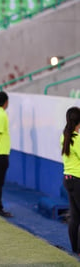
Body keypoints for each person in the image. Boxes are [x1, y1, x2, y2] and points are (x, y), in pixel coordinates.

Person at [61, 107, 80, 255]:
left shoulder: (65, 136)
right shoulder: (77, 139)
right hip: (77, 180)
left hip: (68, 179)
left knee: (75, 217)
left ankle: (76, 249)